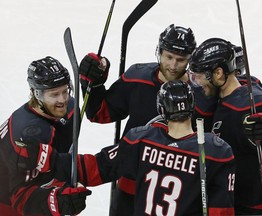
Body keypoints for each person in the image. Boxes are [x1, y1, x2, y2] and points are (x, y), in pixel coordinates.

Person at [23, 80, 236, 215]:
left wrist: (47, 157)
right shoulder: (216, 152)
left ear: (162, 109)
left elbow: (95, 168)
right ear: (191, 108)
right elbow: (221, 210)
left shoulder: (141, 140)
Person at [78, 24, 204, 215]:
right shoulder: (137, 77)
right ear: (159, 52)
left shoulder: (201, 91)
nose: (173, 65)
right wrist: (93, 83)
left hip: (179, 192)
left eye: (180, 60)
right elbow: (99, 113)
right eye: (168, 57)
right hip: (131, 186)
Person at [190, 38, 262, 215]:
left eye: (200, 77)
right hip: (231, 200)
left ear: (219, 73)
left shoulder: (250, 106)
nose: (197, 83)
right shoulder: (234, 90)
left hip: (254, 207)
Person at [0, 56, 91, 215]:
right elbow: (20, 197)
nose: (62, 100)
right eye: (54, 94)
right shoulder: (30, 133)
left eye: (65, 91)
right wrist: (57, 201)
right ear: (37, 94)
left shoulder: (69, 106)